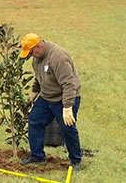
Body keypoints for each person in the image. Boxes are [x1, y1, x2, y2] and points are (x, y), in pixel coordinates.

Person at [19, 33, 82, 171]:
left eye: (30, 53)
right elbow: (39, 77)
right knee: (35, 121)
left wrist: (67, 107)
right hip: (47, 97)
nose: (30, 56)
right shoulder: (37, 58)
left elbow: (69, 84)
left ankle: (75, 160)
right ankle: (37, 156)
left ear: (38, 46)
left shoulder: (58, 58)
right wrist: (34, 93)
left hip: (64, 97)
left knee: (67, 127)